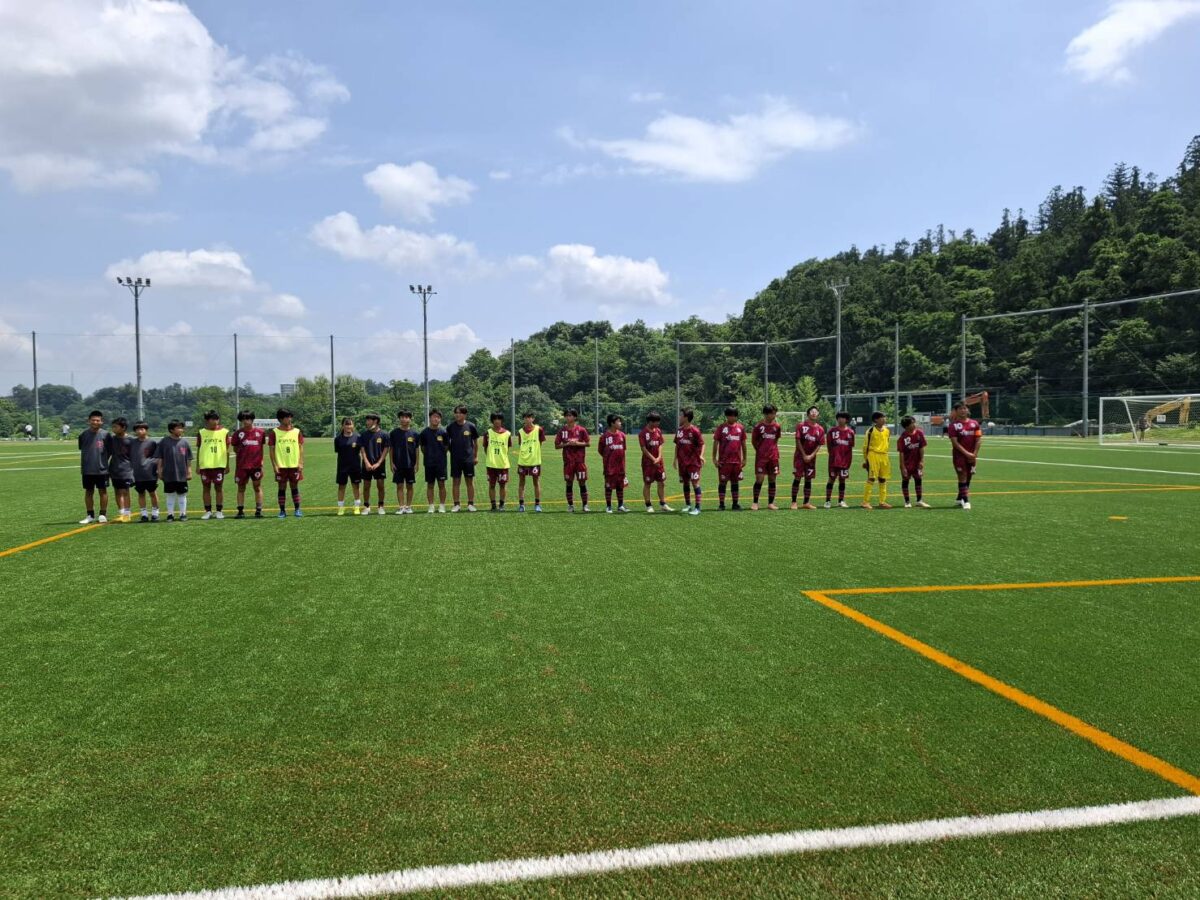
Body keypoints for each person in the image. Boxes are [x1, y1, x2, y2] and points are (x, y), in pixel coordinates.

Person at [268, 407, 304, 518]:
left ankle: (297, 509)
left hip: (294, 465)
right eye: (286, 417)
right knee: (282, 487)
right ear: (280, 419)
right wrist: (274, 465)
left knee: (294, 487)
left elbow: (301, 448)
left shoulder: (297, 431)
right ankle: (282, 511)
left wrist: (300, 462)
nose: (289, 419)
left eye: (290, 416)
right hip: (281, 466)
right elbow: (271, 450)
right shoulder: (274, 432)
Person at [155, 419, 193, 521]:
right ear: (171, 430)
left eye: (182, 427)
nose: (181, 430)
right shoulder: (164, 442)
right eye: (178, 428)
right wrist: (159, 470)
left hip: (181, 473)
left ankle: (183, 514)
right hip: (169, 473)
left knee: (182, 494)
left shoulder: (185, 442)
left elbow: (188, 459)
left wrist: (189, 471)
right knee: (170, 494)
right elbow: (160, 458)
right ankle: (170, 514)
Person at [230, 410, 266, 518]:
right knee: (241, 488)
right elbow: (235, 449)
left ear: (252, 419)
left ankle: (258, 510)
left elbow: (261, 448)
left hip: (256, 466)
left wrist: (261, 461)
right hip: (242, 466)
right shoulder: (237, 434)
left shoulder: (260, 432)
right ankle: (240, 511)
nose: (246, 421)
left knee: (257, 487)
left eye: (248, 418)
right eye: (243, 419)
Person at [947, 400, 982, 510]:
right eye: (960, 409)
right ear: (956, 411)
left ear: (968, 410)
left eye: (965, 408)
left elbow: (978, 439)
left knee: (969, 478)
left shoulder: (975, 424)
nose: (963, 410)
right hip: (959, 456)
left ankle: (959, 498)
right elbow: (955, 443)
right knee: (962, 476)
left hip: (972, 456)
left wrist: (974, 454)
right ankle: (966, 501)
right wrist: (967, 454)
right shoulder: (953, 426)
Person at [556, 407, 591, 513]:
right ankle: (570, 505)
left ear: (575, 417)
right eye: (566, 415)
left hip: (580, 462)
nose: (568, 417)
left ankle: (585, 505)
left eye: (570, 415)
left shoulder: (581, 430)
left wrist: (577, 443)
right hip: (568, 462)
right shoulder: (562, 431)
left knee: (582, 483)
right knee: (569, 483)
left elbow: (588, 443)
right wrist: (567, 444)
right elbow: (557, 445)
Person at [196, 410, 230, 520]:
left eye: (217, 419)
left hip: (219, 465)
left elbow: (227, 450)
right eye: (212, 419)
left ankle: (219, 511)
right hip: (205, 465)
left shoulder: (224, 432)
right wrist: (197, 465)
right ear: (207, 420)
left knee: (219, 487)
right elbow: (199, 449)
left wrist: (227, 465)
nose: (215, 421)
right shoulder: (201, 432)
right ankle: (208, 511)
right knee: (206, 488)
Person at [78, 410, 110, 524]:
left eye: (97, 420)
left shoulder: (106, 435)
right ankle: (90, 515)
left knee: (103, 491)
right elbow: (82, 448)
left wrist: (103, 462)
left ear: (102, 422)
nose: (95, 422)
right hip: (87, 469)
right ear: (89, 421)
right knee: (89, 491)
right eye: (93, 420)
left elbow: (110, 451)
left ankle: (102, 514)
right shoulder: (83, 435)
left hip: (102, 469)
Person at [446, 405, 480, 512]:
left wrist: (475, 456)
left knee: (469, 481)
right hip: (455, 459)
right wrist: (452, 452)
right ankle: (456, 505)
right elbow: (447, 443)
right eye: (456, 412)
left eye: (460, 413)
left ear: (465, 414)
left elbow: (475, 443)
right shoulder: (450, 427)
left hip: (468, 459)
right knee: (456, 482)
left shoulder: (471, 426)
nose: (458, 414)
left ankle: (470, 504)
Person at [713, 406, 747, 511]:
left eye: (734, 415)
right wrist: (714, 458)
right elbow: (716, 442)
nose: (732, 417)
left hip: (736, 462)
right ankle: (721, 504)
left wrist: (744, 459)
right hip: (724, 462)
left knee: (735, 482)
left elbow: (743, 444)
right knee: (723, 482)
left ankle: (735, 504)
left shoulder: (740, 428)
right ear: (727, 416)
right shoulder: (721, 428)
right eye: (730, 415)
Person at [791, 406, 825, 510]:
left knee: (808, 479)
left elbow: (819, 444)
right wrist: (804, 455)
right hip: (799, 457)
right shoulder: (801, 426)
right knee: (797, 477)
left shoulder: (820, 429)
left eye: (816, 412)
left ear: (818, 414)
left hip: (811, 459)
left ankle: (806, 502)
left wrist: (811, 456)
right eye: (812, 412)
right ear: (808, 414)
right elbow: (798, 441)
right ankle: (794, 502)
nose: (814, 413)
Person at [638, 410, 672, 513]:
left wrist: (659, 457)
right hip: (648, 463)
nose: (658, 423)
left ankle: (663, 504)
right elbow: (644, 449)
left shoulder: (658, 431)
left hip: (659, 462)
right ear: (650, 421)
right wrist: (653, 459)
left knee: (661, 482)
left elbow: (660, 444)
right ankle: (648, 505)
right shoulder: (643, 433)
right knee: (647, 483)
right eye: (657, 421)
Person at [417, 408, 449, 513]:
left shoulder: (444, 432)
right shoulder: (424, 433)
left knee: (441, 484)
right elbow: (422, 448)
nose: (436, 419)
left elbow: (446, 447)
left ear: (440, 419)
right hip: (429, 463)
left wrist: (439, 455)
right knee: (430, 485)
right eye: (434, 417)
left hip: (441, 463)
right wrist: (429, 455)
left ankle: (442, 505)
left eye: (438, 417)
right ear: (430, 418)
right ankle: (431, 506)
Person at [674, 407, 705, 516]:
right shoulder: (679, 430)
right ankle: (688, 505)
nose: (679, 417)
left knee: (695, 483)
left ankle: (697, 508)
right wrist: (675, 459)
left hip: (693, 462)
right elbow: (677, 445)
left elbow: (702, 444)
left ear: (686, 417)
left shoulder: (695, 430)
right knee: (685, 482)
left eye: (681, 415)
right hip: (682, 462)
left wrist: (701, 455)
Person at [751, 404, 782, 510]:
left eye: (775, 413)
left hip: (773, 457)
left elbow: (776, 440)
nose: (774, 415)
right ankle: (755, 503)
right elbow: (754, 441)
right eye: (772, 413)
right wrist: (760, 451)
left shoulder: (777, 426)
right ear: (766, 414)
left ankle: (771, 503)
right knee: (759, 479)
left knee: (772, 479)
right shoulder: (758, 426)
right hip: (761, 458)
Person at [104, 417, 135, 523]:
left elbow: (134, 456)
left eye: (115, 427)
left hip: (126, 469)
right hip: (114, 469)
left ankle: (127, 514)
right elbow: (108, 454)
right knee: (117, 491)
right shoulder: (111, 440)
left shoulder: (131, 440)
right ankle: (121, 513)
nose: (113, 429)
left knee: (125, 491)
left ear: (123, 428)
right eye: (112, 427)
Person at [861, 411, 893, 510]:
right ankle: (865, 502)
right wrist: (866, 460)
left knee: (883, 478)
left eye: (884, 417)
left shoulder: (887, 431)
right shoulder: (870, 431)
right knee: (871, 478)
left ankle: (882, 502)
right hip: (873, 455)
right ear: (876, 420)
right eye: (882, 417)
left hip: (884, 456)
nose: (884, 419)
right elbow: (865, 446)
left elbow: (887, 442)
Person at [390, 410, 419, 515]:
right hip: (398, 464)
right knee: (399, 486)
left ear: (410, 419)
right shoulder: (394, 433)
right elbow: (391, 449)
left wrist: (417, 464)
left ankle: (408, 507)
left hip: (410, 464)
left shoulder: (415, 433)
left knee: (410, 486)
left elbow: (417, 449)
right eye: (402, 417)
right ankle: (401, 507)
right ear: (399, 419)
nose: (404, 419)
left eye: (406, 417)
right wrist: (391, 463)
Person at [599, 413, 630, 513]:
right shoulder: (605, 437)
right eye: (618, 421)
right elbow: (600, 450)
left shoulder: (622, 435)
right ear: (612, 423)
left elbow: (623, 449)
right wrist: (609, 459)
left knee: (620, 486)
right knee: (608, 486)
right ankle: (608, 506)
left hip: (620, 466)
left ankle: (620, 505)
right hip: (609, 467)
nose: (620, 423)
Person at [358, 413, 389, 515]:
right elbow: (362, 450)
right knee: (366, 486)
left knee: (380, 485)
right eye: (366, 420)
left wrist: (379, 463)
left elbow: (386, 450)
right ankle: (366, 506)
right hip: (367, 464)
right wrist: (366, 462)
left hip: (379, 465)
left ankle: (381, 506)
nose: (367, 422)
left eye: (369, 420)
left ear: (375, 421)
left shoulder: (384, 434)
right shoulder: (363, 435)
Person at [898, 416, 931, 509]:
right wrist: (902, 467)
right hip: (907, 464)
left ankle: (919, 500)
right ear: (907, 426)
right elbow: (901, 453)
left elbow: (921, 448)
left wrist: (922, 461)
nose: (915, 424)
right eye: (912, 423)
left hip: (917, 464)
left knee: (918, 480)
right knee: (905, 481)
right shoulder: (902, 438)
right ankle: (907, 501)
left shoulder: (919, 433)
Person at [515, 411, 545, 513]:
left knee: (536, 482)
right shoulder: (520, 431)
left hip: (534, 461)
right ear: (523, 419)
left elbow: (540, 443)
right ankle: (521, 505)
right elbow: (521, 444)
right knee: (521, 482)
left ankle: (537, 504)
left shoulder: (539, 429)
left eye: (529, 417)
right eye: (525, 417)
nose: (527, 419)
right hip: (523, 461)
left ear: (533, 418)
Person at [824, 412, 855, 509]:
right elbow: (829, 446)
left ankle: (841, 501)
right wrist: (833, 456)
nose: (841, 419)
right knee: (831, 479)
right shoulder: (832, 431)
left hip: (845, 461)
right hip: (834, 461)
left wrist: (848, 460)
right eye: (839, 418)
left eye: (843, 418)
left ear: (846, 420)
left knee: (842, 480)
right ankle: (827, 501)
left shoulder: (850, 432)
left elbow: (850, 447)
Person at [482, 412, 512, 511]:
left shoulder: (507, 434)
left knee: (502, 485)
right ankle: (493, 505)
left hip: (503, 464)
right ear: (492, 420)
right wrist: (491, 457)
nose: (497, 421)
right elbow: (485, 448)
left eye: (499, 418)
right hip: (491, 464)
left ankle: (502, 504)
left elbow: (507, 448)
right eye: (495, 419)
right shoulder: (488, 433)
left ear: (502, 420)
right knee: (492, 485)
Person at [333, 417, 363, 516]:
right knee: (341, 486)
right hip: (342, 466)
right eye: (346, 424)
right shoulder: (338, 439)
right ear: (342, 426)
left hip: (355, 466)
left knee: (356, 486)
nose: (348, 426)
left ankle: (357, 506)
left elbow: (361, 451)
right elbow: (338, 451)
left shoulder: (358, 437)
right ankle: (341, 507)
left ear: (353, 425)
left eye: (350, 424)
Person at [132, 420, 160, 522]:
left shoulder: (152, 443)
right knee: (141, 493)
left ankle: (155, 513)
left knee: (152, 493)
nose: (140, 431)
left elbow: (158, 457)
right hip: (137, 473)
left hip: (150, 473)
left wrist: (155, 468)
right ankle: (144, 514)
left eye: (142, 429)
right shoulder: (132, 443)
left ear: (146, 430)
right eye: (137, 429)